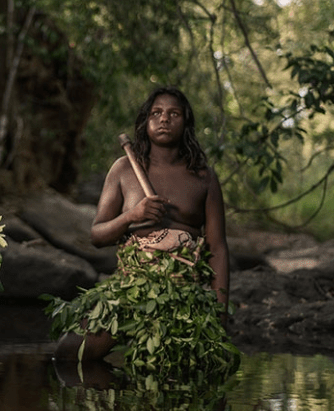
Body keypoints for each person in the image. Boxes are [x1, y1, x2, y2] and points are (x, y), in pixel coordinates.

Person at [52, 86, 231, 363]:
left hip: (183, 292)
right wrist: (131, 216)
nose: (164, 119)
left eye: (174, 114)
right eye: (156, 113)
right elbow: (97, 236)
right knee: (69, 354)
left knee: (175, 374)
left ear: (186, 122)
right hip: (130, 286)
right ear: (145, 121)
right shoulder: (124, 169)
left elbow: (217, 247)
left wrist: (219, 311)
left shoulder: (203, 176)